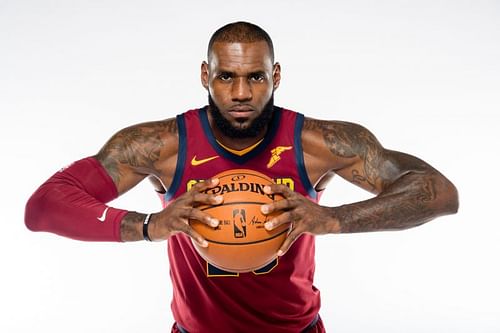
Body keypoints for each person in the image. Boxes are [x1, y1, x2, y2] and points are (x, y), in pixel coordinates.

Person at [25, 21, 459, 332]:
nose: (240, 94)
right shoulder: (161, 145)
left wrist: (334, 219)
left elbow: (439, 192)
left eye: (255, 77)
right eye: (226, 77)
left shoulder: (318, 143)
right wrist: (149, 226)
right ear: (204, 76)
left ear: (275, 76)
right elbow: (44, 206)